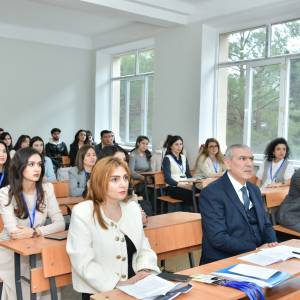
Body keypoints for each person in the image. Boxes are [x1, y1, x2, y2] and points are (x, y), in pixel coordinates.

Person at [66, 157, 160, 299]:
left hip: (136, 288)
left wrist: (144, 270)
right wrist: (119, 283)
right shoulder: (83, 212)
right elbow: (83, 262)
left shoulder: (132, 208)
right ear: (100, 182)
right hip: (101, 292)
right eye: (115, 179)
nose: (123, 184)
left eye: (125, 178)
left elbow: (144, 248)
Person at [0, 147, 65, 300]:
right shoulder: (5, 193)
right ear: (20, 166)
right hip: (10, 251)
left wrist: (36, 232)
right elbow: (13, 232)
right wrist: (41, 230)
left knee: (49, 279)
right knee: (24, 286)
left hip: (37, 246)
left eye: (39, 164)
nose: (37, 168)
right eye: (31, 164)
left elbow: (60, 223)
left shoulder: (47, 189)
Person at [199, 144, 277, 264]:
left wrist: (272, 245)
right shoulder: (211, 193)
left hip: (258, 255)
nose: (249, 164)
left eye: (251, 159)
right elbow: (218, 238)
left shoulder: (254, 189)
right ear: (227, 163)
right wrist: (255, 250)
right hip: (225, 259)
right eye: (242, 159)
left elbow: (266, 224)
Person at [161, 135, 196, 211]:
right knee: (190, 195)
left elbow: (188, 174)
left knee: (201, 192)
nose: (179, 147)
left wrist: (191, 182)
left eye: (181, 144)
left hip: (185, 185)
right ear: (171, 146)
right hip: (173, 187)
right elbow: (168, 179)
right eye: (176, 144)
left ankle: (195, 215)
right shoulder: (167, 159)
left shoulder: (183, 157)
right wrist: (183, 185)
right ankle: (190, 216)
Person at [129, 136, 153, 215]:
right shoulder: (133, 154)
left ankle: (153, 210)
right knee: (146, 189)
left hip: (146, 179)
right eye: (143, 143)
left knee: (156, 189)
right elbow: (131, 172)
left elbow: (149, 169)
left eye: (147, 144)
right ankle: (147, 212)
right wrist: (143, 178)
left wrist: (150, 177)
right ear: (138, 143)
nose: (145, 146)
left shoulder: (147, 154)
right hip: (137, 181)